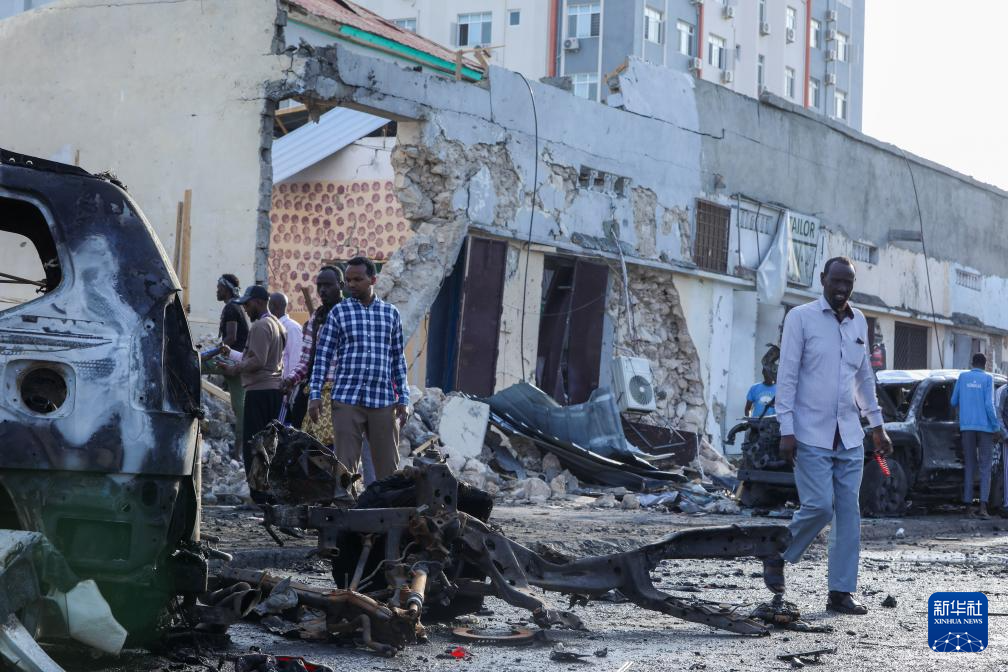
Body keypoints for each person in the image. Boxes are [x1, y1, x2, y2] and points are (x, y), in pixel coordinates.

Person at [771, 256, 893, 615]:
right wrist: (786, 429)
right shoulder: (801, 318)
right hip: (809, 433)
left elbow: (863, 378)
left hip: (849, 435)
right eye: (836, 281)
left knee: (849, 514)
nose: (841, 288)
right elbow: (787, 375)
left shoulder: (859, 321)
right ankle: (777, 553)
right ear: (823, 279)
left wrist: (877, 426)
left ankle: (840, 592)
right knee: (820, 507)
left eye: (847, 283)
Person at [307, 257, 409, 481]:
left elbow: (397, 359)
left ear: (373, 280)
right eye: (348, 280)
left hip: (383, 400)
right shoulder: (339, 313)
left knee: (388, 469)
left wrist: (403, 397)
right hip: (347, 399)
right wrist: (315, 395)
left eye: (358, 279)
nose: (351, 284)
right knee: (344, 466)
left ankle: (384, 503)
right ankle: (344, 502)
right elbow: (322, 357)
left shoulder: (390, 314)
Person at [218, 284, 285, 503]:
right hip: (273, 391)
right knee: (269, 446)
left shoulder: (260, 326)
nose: (245, 310)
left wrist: (234, 369)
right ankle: (269, 494)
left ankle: (258, 496)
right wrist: (234, 355)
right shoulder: (276, 323)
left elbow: (257, 361)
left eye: (247, 305)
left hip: (259, 392)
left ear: (259, 302)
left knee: (254, 446)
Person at [284, 266, 344, 437]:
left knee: (334, 443)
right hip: (314, 388)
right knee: (301, 438)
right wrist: (291, 379)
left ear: (340, 285)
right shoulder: (316, 318)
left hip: (340, 391)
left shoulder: (350, 315)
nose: (322, 290)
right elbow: (305, 360)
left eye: (328, 285)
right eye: (320, 286)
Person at [202, 274, 250, 457]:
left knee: (195, 365)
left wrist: (208, 354)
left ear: (226, 289)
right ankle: (239, 451)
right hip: (240, 361)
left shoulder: (231, 308)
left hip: (230, 359)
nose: (217, 291)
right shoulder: (238, 306)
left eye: (219, 287)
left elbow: (231, 338)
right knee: (240, 408)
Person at [951, 353, 999, 519]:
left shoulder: (962, 377)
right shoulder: (988, 379)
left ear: (972, 363)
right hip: (985, 428)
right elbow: (989, 405)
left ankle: (968, 507)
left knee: (970, 466)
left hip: (967, 427)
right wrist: (996, 426)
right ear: (985, 365)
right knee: (985, 467)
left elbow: (953, 401)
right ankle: (983, 508)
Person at [268, 291, 304, 390]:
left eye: (268, 305)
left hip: (286, 387)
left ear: (275, 306)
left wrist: (290, 386)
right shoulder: (273, 326)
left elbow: (295, 360)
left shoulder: (292, 328)